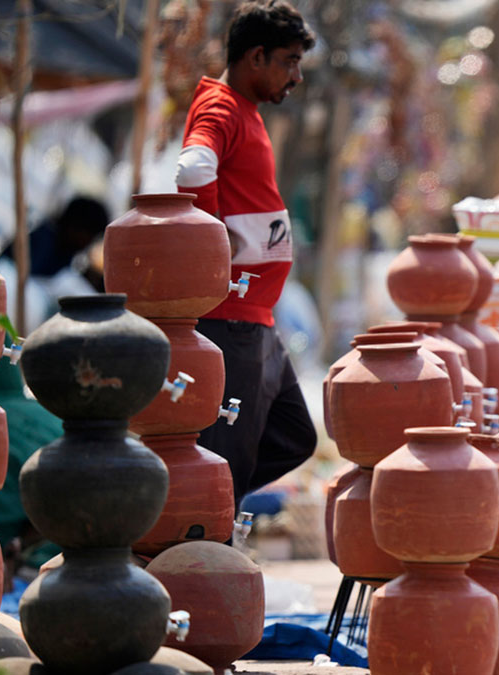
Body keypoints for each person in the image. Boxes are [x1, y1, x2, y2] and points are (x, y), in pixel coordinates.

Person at [174, 0, 317, 510]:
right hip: (231, 320)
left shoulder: (247, 113)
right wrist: (213, 235)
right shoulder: (221, 106)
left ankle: (201, 509)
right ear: (256, 57)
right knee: (226, 458)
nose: (296, 76)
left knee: (295, 436)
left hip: (257, 320)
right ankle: (201, 537)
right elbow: (192, 168)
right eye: (289, 61)